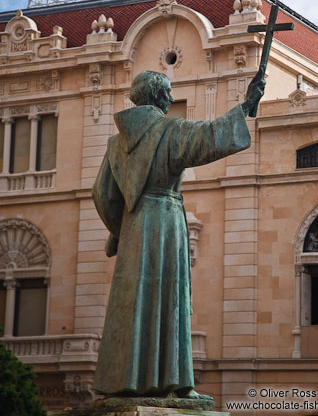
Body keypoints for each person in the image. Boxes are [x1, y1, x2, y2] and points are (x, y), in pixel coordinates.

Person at [92, 69, 265, 398]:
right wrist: (245, 106)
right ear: (157, 97)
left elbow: (103, 194)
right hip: (166, 219)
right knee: (169, 298)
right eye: (168, 92)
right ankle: (175, 383)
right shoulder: (169, 129)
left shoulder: (116, 143)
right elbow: (209, 136)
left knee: (133, 304)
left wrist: (120, 230)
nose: (171, 98)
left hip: (133, 225)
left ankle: (124, 381)